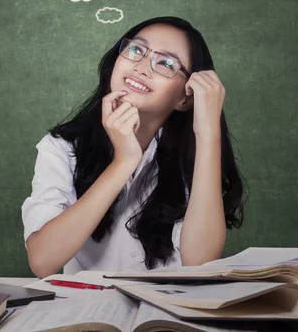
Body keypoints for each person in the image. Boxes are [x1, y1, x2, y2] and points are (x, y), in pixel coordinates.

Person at [22, 16, 245, 278]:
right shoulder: (62, 148)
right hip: (88, 312)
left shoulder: (193, 157)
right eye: (137, 50)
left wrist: (208, 131)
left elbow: (200, 262)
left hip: (166, 312)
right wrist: (123, 161)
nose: (141, 67)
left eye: (165, 63)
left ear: (185, 99)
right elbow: (42, 261)